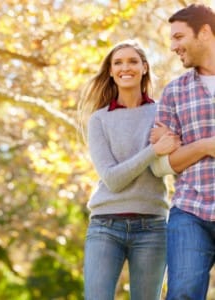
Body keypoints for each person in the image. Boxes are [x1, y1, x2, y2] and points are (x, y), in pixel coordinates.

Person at [78, 40, 181, 300]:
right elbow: (112, 179)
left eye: (133, 61)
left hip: (152, 226)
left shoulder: (162, 113)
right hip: (105, 225)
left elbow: (171, 162)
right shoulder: (99, 119)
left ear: (144, 68)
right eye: (118, 62)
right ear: (111, 72)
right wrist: (152, 151)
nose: (126, 67)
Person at [151, 4, 215, 300]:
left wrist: (189, 147)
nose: (174, 47)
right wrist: (204, 146)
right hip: (191, 210)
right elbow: (162, 165)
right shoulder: (174, 92)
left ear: (204, 32)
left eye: (179, 37)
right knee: (183, 294)